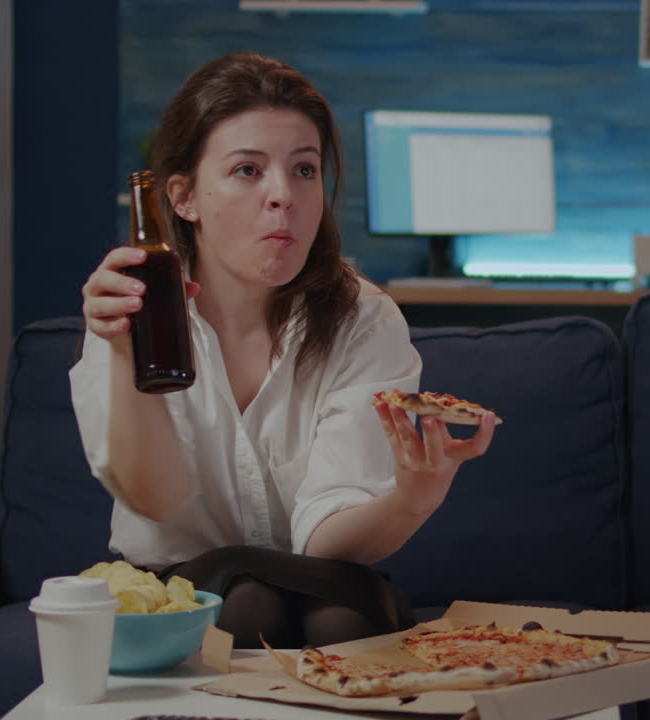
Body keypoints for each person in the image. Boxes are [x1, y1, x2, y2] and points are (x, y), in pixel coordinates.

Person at [69, 51, 496, 649]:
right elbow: (156, 501)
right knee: (248, 605)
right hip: (179, 591)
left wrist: (411, 500)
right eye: (248, 170)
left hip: (323, 582)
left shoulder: (364, 318)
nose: (284, 197)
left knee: (336, 617)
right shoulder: (125, 313)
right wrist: (122, 354)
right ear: (184, 197)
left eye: (304, 170)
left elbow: (326, 537)